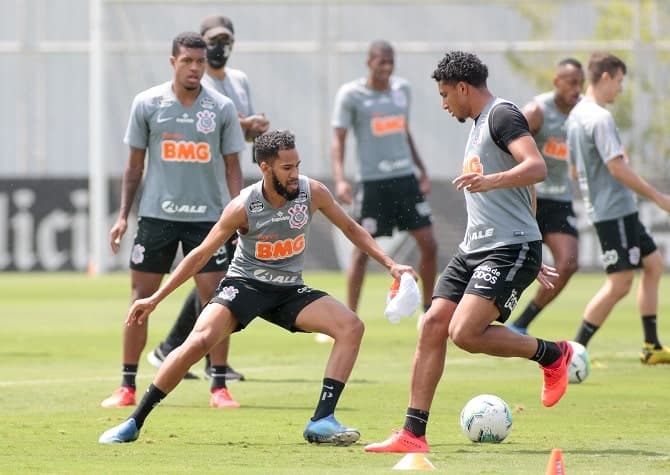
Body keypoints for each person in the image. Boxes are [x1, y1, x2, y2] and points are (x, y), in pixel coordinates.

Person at [98, 129, 416, 445]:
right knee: (199, 341)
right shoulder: (243, 207)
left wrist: (391, 264)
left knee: (351, 327)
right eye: (287, 168)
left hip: (289, 290)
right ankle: (134, 421)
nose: (295, 175)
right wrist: (155, 298)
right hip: (245, 285)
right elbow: (200, 255)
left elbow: (351, 228)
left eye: (297, 166)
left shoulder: (313, 192)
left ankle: (321, 420)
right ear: (265, 168)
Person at [364, 51, 574, 454]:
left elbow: (536, 168)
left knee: (464, 333)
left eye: (445, 95)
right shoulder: (480, 124)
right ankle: (413, 433)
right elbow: (524, 188)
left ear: (463, 88)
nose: (444, 104)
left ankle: (554, 354)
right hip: (476, 248)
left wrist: (496, 191)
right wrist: (531, 242)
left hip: (506, 247)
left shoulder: (502, 115)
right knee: (432, 325)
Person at [100, 32, 246, 408]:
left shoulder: (222, 107)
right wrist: (121, 217)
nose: (195, 68)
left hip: (208, 221)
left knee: (218, 300)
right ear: (173, 62)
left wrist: (237, 213)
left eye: (200, 62)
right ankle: (127, 385)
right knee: (141, 298)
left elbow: (233, 166)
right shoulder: (147, 104)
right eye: (187, 61)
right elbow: (134, 167)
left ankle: (219, 386)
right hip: (156, 218)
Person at [147, 15, 270, 382]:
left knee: (216, 275)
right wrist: (241, 125)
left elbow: (238, 135)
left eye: (226, 39)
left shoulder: (239, 80)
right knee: (216, 275)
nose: (220, 47)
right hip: (198, 191)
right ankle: (182, 351)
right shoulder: (197, 87)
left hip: (227, 188)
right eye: (213, 40)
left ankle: (178, 350)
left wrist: (254, 130)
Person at [566, 52, 670, 364]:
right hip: (614, 211)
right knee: (620, 282)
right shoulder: (600, 118)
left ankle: (651, 345)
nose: (621, 90)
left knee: (653, 265)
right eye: (620, 82)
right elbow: (616, 168)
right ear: (606, 77)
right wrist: (659, 198)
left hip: (612, 208)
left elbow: (573, 170)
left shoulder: (575, 117)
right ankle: (572, 353)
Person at [331, 40, 438, 316]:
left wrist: (422, 168)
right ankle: (348, 316)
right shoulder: (351, 95)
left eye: (391, 62)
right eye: (381, 62)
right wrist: (340, 178)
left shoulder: (402, 90)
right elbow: (338, 140)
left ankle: (428, 310)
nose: (387, 68)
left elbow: (405, 132)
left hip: (404, 178)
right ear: (369, 63)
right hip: (372, 182)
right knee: (361, 249)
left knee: (429, 242)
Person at [507, 58, 585, 335]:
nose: (577, 88)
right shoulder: (537, 111)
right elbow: (509, 148)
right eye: (572, 82)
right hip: (528, 198)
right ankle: (472, 310)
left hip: (560, 200)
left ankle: (521, 324)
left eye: (581, 83)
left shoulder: (584, 113)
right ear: (557, 82)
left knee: (569, 263)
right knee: (509, 262)